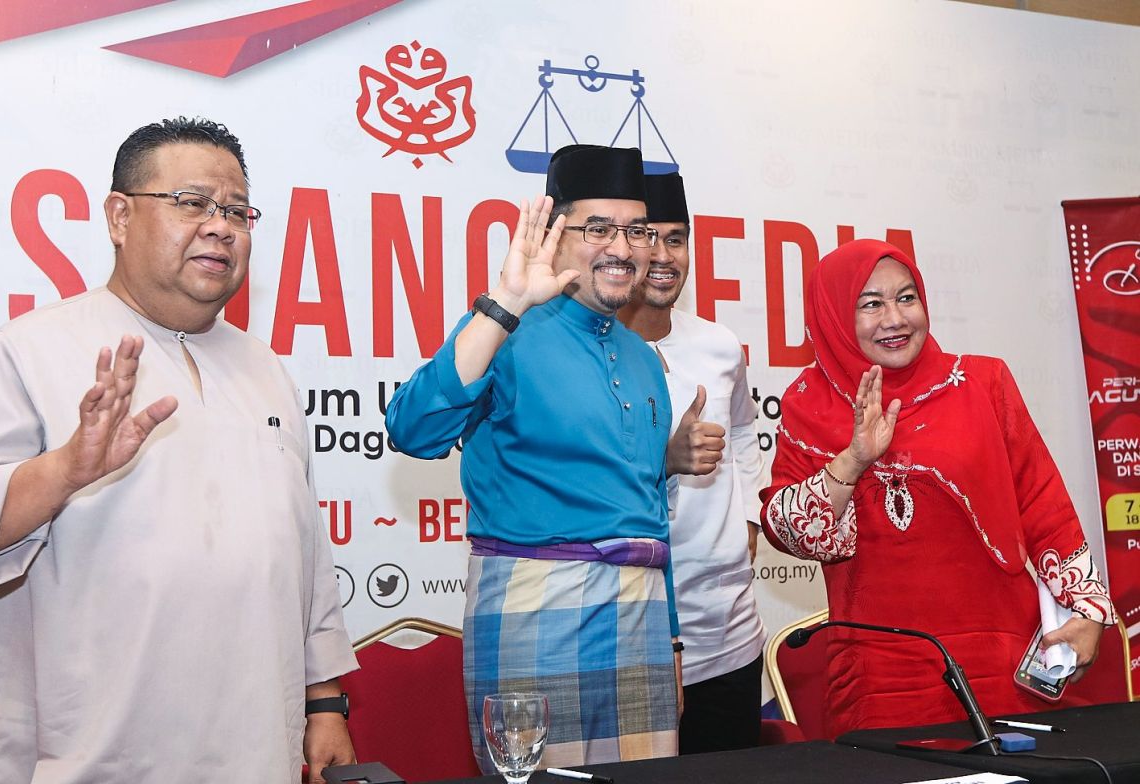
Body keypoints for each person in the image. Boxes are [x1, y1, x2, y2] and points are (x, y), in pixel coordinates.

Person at [0, 117, 358, 783]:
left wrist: (326, 703)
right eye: (192, 203)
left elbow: (303, 554)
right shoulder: (31, 350)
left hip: (256, 745)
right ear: (119, 216)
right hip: (87, 754)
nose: (220, 226)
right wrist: (61, 472)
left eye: (236, 211)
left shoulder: (265, 370)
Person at [386, 145, 706, 768]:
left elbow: (650, 512)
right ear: (555, 234)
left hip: (640, 610)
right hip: (535, 599)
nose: (623, 247)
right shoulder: (507, 329)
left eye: (636, 230)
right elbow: (412, 429)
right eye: (598, 228)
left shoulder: (645, 359)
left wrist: (668, 636)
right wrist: (504, 304)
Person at [761, 238, 1116, 736]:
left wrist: (1087, 609)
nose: (895, 318)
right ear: (834, 316)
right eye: (871, 304)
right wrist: (855, 458)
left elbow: (1042, 503)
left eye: (907, 298)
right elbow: (791, 534)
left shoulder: (982, 382)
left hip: (999, 657)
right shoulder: (808, 403)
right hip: (878, 674)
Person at [618, 172, 767, 753]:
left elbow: (746, 429)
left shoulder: (719, 346)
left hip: (728, 627)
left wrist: (749, 518)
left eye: (676, 239)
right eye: (645, 236)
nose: (662, 256)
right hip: (633, 630)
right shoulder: (589, 351)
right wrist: (666, 461)